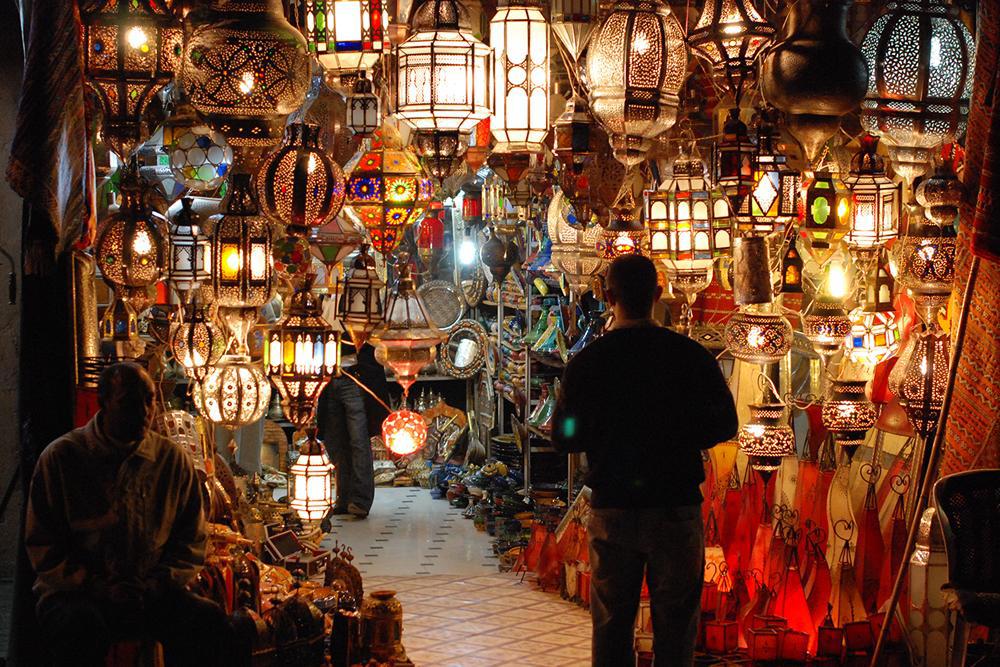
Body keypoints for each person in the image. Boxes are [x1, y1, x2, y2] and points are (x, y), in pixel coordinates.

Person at [553, 255, 738, 666]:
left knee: (611, 622)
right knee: (676, 623)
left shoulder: (588, 363)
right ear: (658, 293)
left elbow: (564, 437)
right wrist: (678, 436)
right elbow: (725, 423)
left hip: (614, 507)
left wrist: (606, 436)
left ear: (607, 296)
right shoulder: (689, 356)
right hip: (675, 505)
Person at [25, 362, 235, 666]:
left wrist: (157, 584)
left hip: (151, 591)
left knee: (208, 621)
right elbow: (43, 545)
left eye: (149, 400)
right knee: (79, 628)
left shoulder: (171, 460)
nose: (143, 411)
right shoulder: (62, 458)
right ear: (103, 402)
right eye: (129, 402)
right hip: (78, 593)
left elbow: (191, 540)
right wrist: (95, 585)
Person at [317, 342, 390, 519]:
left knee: (358, 439)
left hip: (354, 376)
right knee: (335, 441)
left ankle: (360, 499)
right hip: (329, 377)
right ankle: (344, 498)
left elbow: (363, 341)